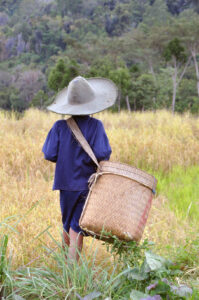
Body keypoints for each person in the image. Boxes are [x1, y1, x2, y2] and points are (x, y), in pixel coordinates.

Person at [42, 76, 118, 261]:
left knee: (67, 223)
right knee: (77, 226)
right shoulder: (96, 126)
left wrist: (67, 158)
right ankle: (73, 272)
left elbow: (49, 154)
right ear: (91, 104)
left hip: (65, 185)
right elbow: (102, 154)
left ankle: (64, 268)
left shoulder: (59, 126)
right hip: (86, 184)